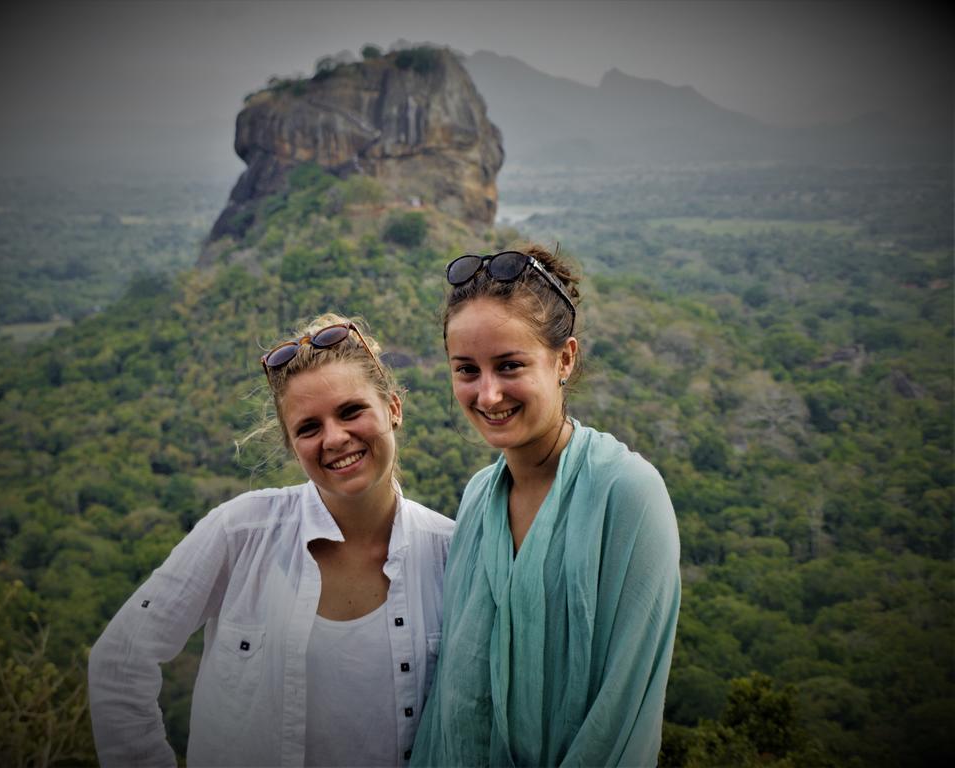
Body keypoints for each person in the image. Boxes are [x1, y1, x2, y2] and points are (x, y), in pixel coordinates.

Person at [89, 313, 454, 767]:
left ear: (393, 409)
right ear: (291, 443)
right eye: (308, 428)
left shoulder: (450, 553)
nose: (335, 438)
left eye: (351, 411)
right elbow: (120, 661)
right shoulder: (242, 533)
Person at [411, 245, 680, 767]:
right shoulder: (477, 499)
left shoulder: (627, 493)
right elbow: (450, 699)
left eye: (509, 365)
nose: (488, 395)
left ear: (565, 359)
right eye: (466, 370)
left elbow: (623, 714)